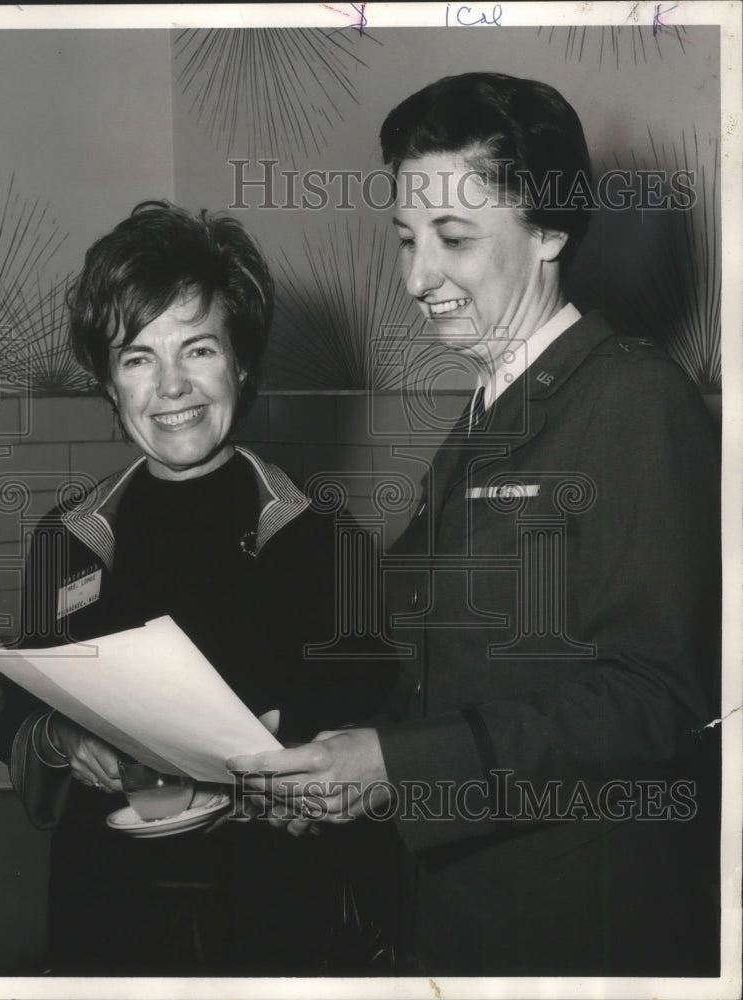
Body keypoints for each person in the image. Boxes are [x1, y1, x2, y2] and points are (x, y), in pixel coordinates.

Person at [228, 73, 722, 976]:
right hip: (456, 917)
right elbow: (440, 679)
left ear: (550, 232)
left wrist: (398, 767)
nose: (416, 279)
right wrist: (333, 764)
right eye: (406, 239)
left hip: (579, 930)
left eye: (453, 238)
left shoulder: (635, 396)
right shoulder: (485, 415)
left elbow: (661, 702)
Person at [0, 201, 396, 975]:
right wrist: (65, 741)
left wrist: (302, 768)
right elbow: (19, 708)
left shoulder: (325, 539)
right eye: (137, 357)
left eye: (198, 349)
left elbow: (372, 729)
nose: (170, 387)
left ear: (240, 362)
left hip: (275, 919)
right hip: (105, 915)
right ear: (110, 385)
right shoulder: (69, 536)